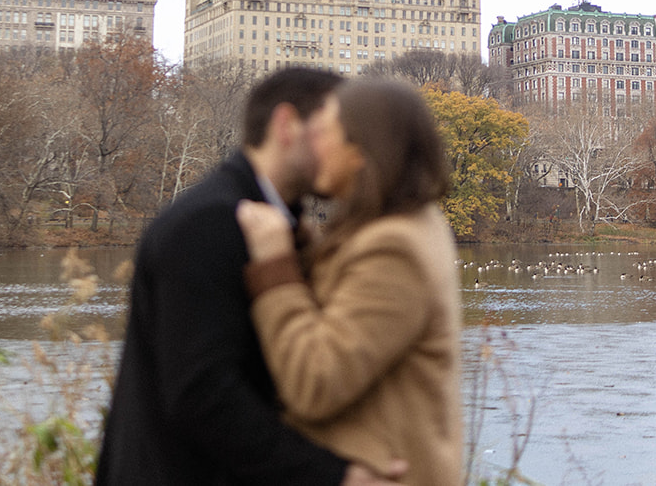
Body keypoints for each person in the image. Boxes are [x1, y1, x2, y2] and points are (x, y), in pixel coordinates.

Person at [95, 67, 403, 486]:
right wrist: (339, 478)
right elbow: (202, 395)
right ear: (286, 125)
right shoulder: (208, 222)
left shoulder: (279, 223)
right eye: (338, 130)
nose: (352, 149)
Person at [236, 78, 462, 486]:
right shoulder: (405, 225)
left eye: (325, 133)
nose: (313, 145)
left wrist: (276, 267)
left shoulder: (395, 249)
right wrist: (308, 246)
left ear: (361, 150)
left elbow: (316, 381)